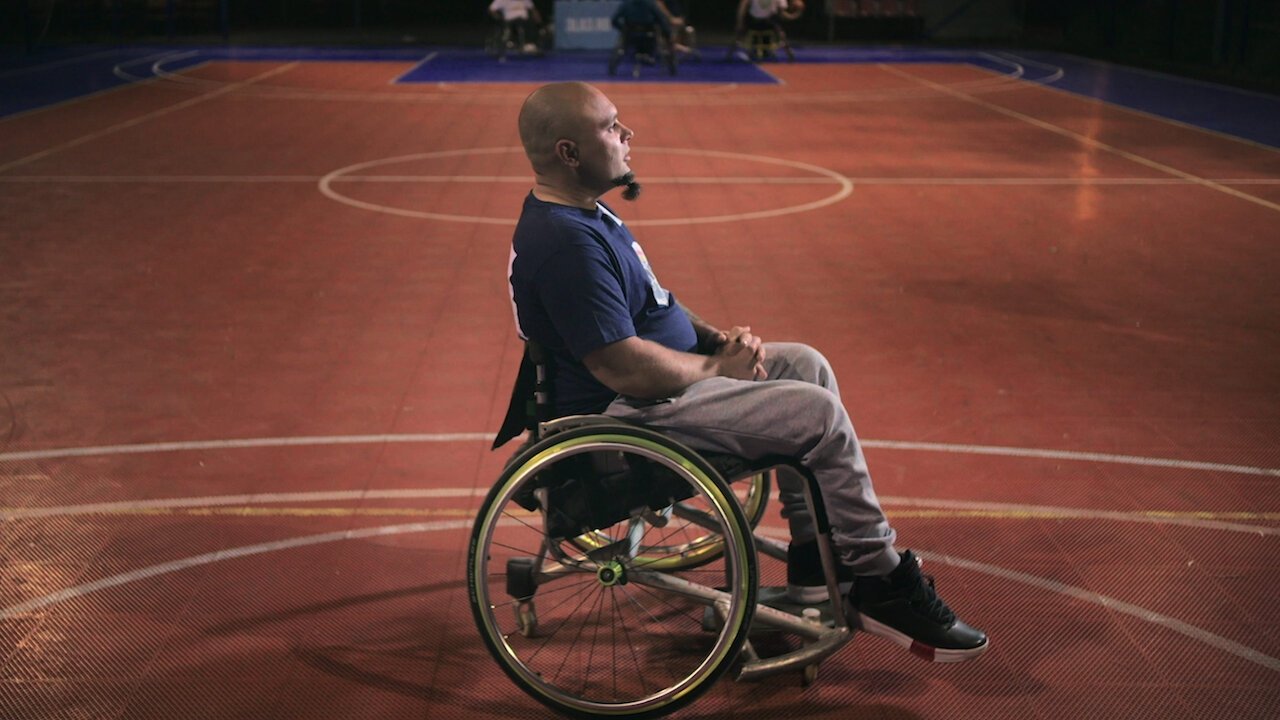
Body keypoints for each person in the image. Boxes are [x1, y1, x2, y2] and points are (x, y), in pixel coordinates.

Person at [504, 81, 988, 663]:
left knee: (805, 364)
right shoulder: (566, 245)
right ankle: (879, 577)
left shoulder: (583, 212)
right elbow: (621, 367)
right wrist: (717, 367)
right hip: (629, 415)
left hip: (654, 395)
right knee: (816, 415)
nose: (628, 134)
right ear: (569, 152)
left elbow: (654, 303)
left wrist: (713, 339)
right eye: (610, 126)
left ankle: (815, 573)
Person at [731, 0, 802, 60]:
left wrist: (740, 23)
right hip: (760, 23)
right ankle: (789, 53)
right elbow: (782, 14)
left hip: (759, 23)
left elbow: (742, 8)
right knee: (780, 32)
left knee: (780, 32)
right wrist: (794, 15)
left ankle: (730, 53)